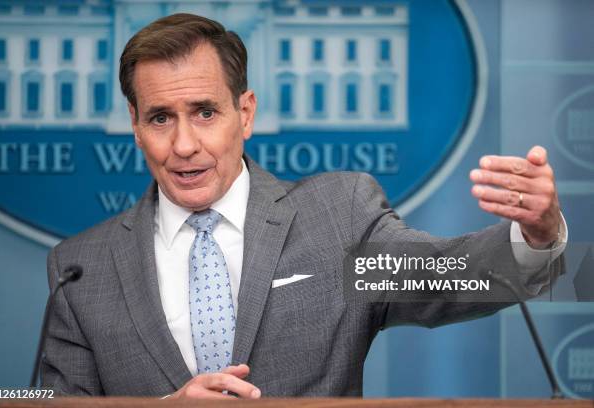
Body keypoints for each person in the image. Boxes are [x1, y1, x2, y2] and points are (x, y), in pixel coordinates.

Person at [41, 13, 566, 398]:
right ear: (135, 125)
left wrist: (537, 237)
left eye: (205, 113)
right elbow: (44, 403)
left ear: (244, 114)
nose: (183, 145)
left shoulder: (335, 218)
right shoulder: (81, 269)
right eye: (160, 118)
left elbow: (445, 277)